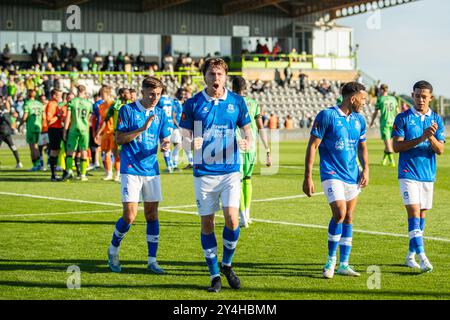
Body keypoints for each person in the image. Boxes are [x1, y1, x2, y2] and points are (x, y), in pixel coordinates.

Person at [179, 58, 252, 293]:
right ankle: (214, 275)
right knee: (207, 223)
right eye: (211, 74)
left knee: (232, 219)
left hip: (230, 170)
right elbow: (183, 137)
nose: (216, 78)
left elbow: (247, 130)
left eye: (220, 74)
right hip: (204, 172)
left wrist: (246, 142)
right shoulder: (192, 103)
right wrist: (191, 142)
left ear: (226, 77)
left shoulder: (237, 102)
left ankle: (227, 264)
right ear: (205, 77)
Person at [302, 82, 369, 279]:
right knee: (339, 213)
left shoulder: (359, 121)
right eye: (363, 99)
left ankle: (344, 264)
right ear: (353, 98)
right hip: (331, 174)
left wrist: (366, 169)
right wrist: (308, 177)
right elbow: (313, 146)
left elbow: (362, 147)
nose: (365, 103)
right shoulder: (327, 116)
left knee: (348, 217)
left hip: (352, 175)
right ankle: (331, 260)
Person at [107, 76, 171, 275]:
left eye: (158, 95)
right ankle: (113, 250)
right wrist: (141, 129)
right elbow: (119, 139)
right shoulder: (127, 110)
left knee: (152, 215)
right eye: (151, 94)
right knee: (130, 216)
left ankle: (152, 261)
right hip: (131, 169)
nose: (155, 98)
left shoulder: (161, 114)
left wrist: (166, 144)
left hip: (151, 170)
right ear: (142, 92)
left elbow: (165, 137)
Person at [392, 81, 445, 273]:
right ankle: (423, 257)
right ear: (412, 96)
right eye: (417, 95)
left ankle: (410, 256)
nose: (421, 99)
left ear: (430, 97)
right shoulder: (402, 118)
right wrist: (421, 138)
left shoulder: (437, 120)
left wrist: (430, 137)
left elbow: (440, 150)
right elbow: (396, 147)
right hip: (408, 173)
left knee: (421, 215)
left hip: (427, 175)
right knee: (413, 213)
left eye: (424, 96)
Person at [232, 76, 272, 228]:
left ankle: (242, 218)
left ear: (232, 87)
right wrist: (267, 149)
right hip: (252, 146)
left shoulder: (231, 102)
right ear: (246, 88)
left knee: (238, 182)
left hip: (237, 146)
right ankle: (247, 215)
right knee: (247, 180)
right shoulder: (254, 103)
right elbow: (261, 128)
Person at [96, 88, 131, 182]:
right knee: (116, 154)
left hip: (129, 133)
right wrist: (99, 132)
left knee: (127, 154)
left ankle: (125, 174)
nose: (129, 94)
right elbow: (106, 119)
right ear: (122, 94)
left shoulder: (132, 104)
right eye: (127, 93)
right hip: (117, 133)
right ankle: (116, 173)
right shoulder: (115, 105)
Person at [62, 85, 92, 181]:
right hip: (84, 130)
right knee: (83, 151)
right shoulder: (89, 104)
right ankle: (83, 175)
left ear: (77, 91)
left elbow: (68, 117)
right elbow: (89, 119)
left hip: (74, 128)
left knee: (70, 151)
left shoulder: (72, 102)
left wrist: (65, 130)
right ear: (85, 92)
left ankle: (69, 171)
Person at [369, 84, 399, 167]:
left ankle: (392, 161)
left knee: (388, 145)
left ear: (382, 90)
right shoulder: (393, 99)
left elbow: (375, 112)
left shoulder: (380, 99)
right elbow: (398, 111)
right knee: (388, 144)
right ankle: (384, 160)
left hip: (385, 123)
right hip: (394, 124)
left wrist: (371, 122)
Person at [20, 89, 44, 171]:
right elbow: (43, 117)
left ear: (28, 95)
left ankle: (36, 165)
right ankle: (40, 164)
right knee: (36, 146)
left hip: (31, 127)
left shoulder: (27, 104)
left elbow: (24, 117)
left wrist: (20, 124)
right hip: (39, 127)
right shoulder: (40, 104)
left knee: (32, 147)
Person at [96, 86, 116, 180]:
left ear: (108, 94)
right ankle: (109, 173)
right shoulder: (101, 106)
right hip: (105, 132)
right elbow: (102, 120)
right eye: (101, 94)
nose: (102, 96)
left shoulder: (114, 104)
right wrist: (99, 132)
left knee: (116, 153)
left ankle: (118, 173)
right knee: (106, 153)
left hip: (113, 131)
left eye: (103, 94)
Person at [45, 89, 64, 181]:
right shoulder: (51, 105)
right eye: (59, 95)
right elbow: (49, 120)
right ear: (54, 96)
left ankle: (63, 172)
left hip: (59, 129)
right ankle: (53, 175)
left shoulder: (56, 104)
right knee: (54, 151)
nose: (60, 97)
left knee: (61, 150)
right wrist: (58, 116)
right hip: (54, 129)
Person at [0, 96, 22, 168]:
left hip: (2, 131)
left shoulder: (3, 109)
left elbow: (7, 118)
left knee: (12, 146)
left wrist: (11, 125)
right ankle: (19, 162)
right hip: (7, 131)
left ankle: (19, 162)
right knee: (13, 147)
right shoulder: (6, 109)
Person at [156, 91, 175, 173]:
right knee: (167, 144)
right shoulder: (171, 99)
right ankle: (171, 164)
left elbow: (156, 111)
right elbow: (174, 112)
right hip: (171, 123)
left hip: (163, 123)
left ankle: (169, 166)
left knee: (164, 145)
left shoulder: (160, 99)